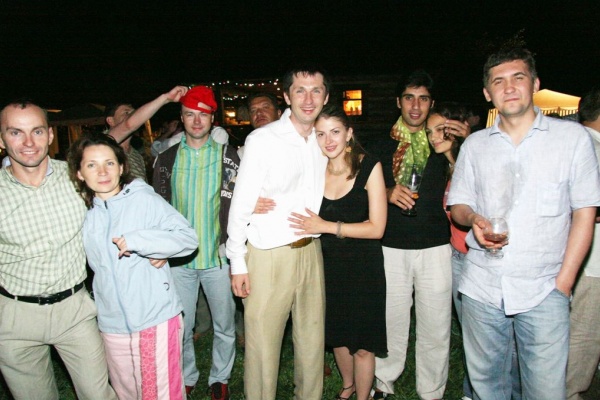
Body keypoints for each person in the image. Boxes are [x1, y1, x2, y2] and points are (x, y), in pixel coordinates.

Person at [447, 47, 600, 399]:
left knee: (546, 390)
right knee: (487, 388)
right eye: (498, 81)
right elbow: (458, 206)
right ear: (487, 93)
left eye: (518, 77)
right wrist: (473, 218)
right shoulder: (475, 145)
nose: (509, 87)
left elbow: (585, 213)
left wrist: (563, 284)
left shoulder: (571, 139)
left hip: (544, 289)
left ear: (535, 84)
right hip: (481, 287)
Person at [0, 101, 117, 400]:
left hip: (74, 309)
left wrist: (153, 243)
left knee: (98, 395)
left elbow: (127, 198)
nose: (29, 142)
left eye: (37, 131)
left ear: (50, 135)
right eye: (16, 132)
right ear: (1, 139)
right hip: (14, 316)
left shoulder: (77, 177)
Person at [67, 133, 198, 400]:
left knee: (160, 394)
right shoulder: (82, 212)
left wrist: (144, 242)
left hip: (154, 318)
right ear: (79, 174)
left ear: (121, 167)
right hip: (112, 324)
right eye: (92, 165)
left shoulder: (143, 200)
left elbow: (187, 239)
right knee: (126, 393)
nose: (102, 172)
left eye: (109, 163)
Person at [226, 65, 330, 400]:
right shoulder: (262, 140)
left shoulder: (325, 139)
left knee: (312, 343)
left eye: (316, 91)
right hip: (269, 254)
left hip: (311, 251)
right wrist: (237, 262)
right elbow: (241, 204)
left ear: (326, 97)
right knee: (262, 347)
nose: (308, 99)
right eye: (300, 90)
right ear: (286, 96)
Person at [369, 71, 468, 400]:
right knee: (391, 320)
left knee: (436, 324)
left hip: (435, 247)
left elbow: (468, 183)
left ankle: (432, 391)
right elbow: (359, 189)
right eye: (409, 98)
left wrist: (453, 150)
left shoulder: (442, 143)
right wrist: (385, 192)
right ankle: (383, 382)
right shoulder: (381, 144)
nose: (415, 105)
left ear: (431, 103)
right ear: (398, 102)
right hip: (390, 246)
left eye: (423, 98)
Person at [287, 104, 388, 400]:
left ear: (349, 133)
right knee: (338, 336)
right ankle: (348, 386)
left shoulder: (369, 166)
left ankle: (363, 396)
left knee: (363, 343)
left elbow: (377, 228)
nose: (328, 140)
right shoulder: (314, 170)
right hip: (326, 265)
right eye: (321, 134)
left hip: (364, 267)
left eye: (335, 132)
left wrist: (327, 226)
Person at [153, 85, 240, 400]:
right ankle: (187, 374)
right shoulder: (167, 158)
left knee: (225, 324)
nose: (197, 121)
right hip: (179, 261)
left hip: (218, 258)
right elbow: (156, 208)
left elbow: (242, 202)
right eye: (190, 114)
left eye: (203, 115)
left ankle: (220, 377)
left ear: (212, 117)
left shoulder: (229, 157)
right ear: (182, 117)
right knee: (182, 325)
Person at [193, 91, 282, 344]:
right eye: (254, 110)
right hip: (252, 234)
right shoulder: (241, 153)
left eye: (265, 107)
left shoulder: (295, 147)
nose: (259, 113)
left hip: (288, 234)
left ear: (279, 112)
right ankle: (246, 333)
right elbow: (225, 191)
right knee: (249, 286)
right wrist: (245, 202)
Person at [566, 87, 600, 400]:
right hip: (592, 262)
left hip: (580, 259)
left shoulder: (574, 144)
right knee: (584, 334)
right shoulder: (592, 149)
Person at [105, 85, 189, 181]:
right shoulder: (104, 143)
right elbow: (128, 125)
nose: (133, 116)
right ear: (110, 120)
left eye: (134, 112)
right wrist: (166, 98)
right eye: (126, 113)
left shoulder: (136, 154)